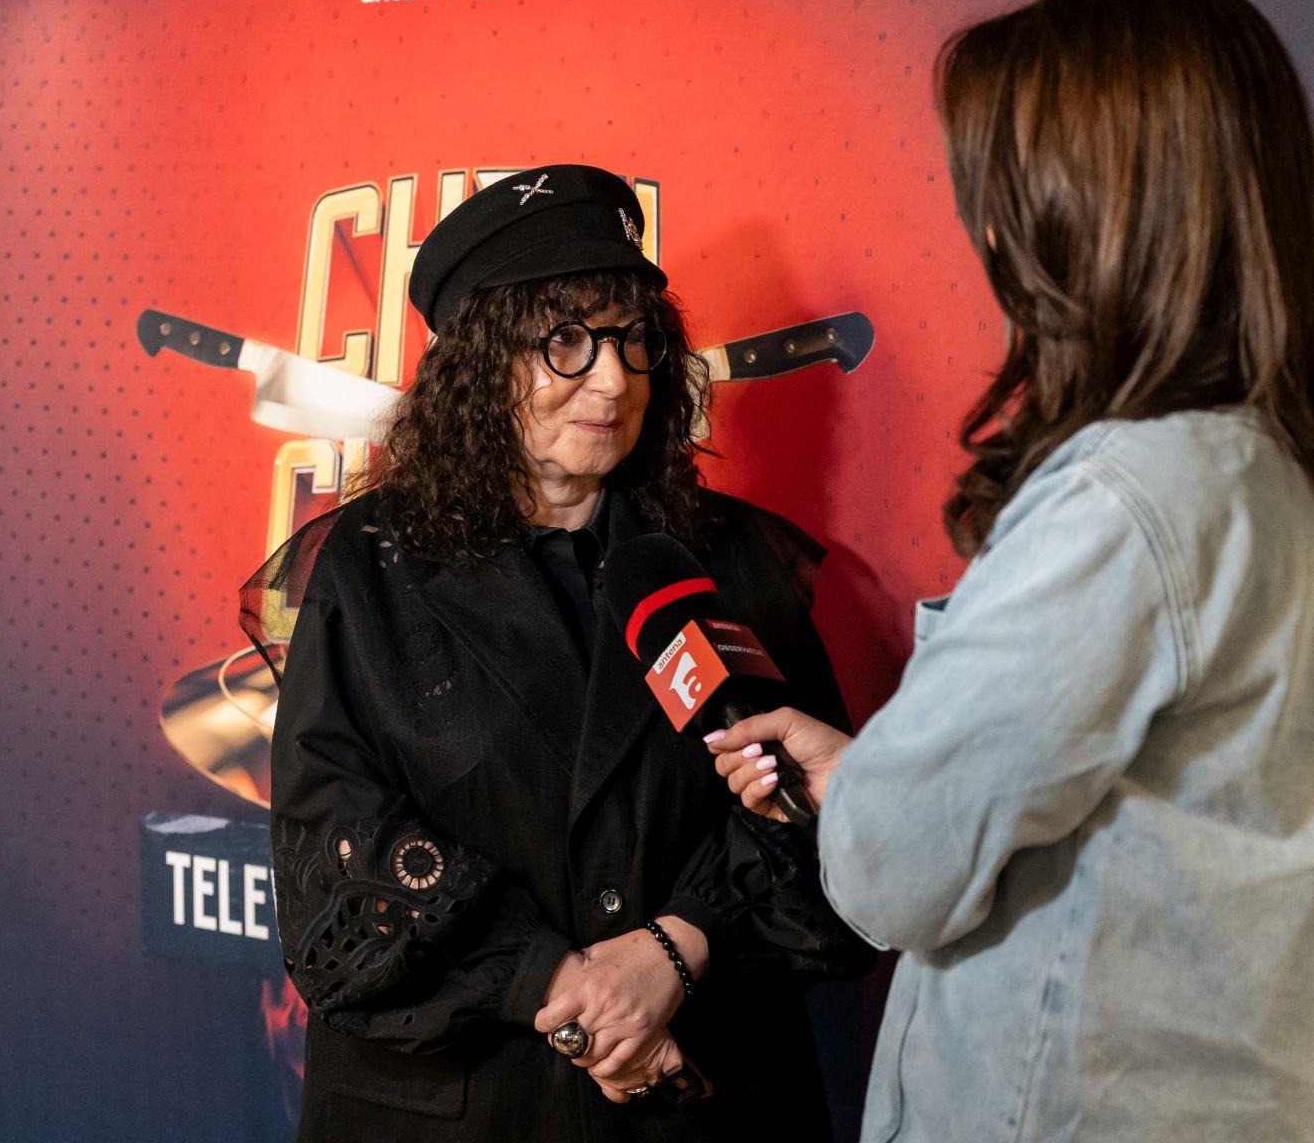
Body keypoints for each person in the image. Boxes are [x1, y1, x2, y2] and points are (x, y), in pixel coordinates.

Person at [709, 0, 1314, 1141]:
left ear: (1082, 212)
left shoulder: (1128, 497)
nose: (986, 234)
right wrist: (876, 772)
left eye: (1003, 196)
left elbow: (892, 873)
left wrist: (874, 797)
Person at [241, 164, 875, 1143]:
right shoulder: (370, 567)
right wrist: (563, 984)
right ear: (478, 365)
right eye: (565, 341)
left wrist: (675, 950)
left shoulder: (729, 557)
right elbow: (334, 851)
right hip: (461, 1110)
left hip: (699, 1101)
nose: (614, 380)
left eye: (632, 339)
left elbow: (817, 814)